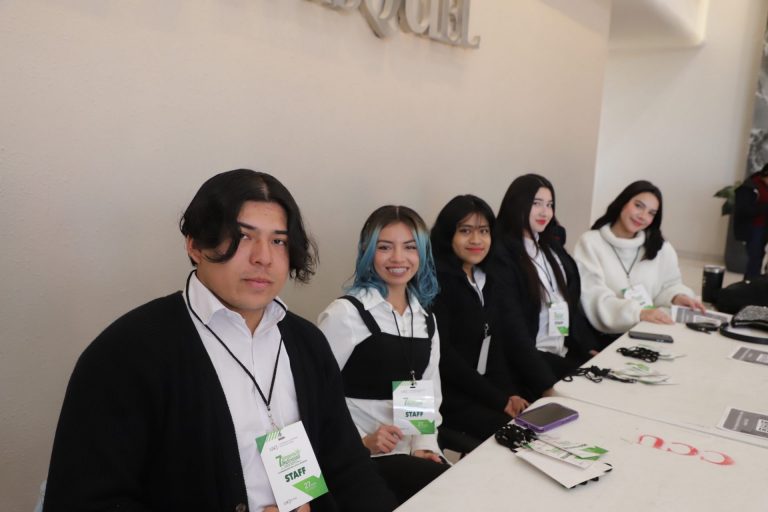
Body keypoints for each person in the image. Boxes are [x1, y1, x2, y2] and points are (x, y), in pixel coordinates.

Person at [44, 169, 397, 512]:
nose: (263, 257)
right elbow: (83, 501)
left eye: (278, 241)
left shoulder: (307, 343)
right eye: (243, 236)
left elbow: (347, 467)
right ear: (195, 245)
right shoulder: (126, 354)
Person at [318, 205, 448, 505]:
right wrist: (363, 440)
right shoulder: (346, 314)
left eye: (410, 247)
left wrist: (424, 445)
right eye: (385, 247)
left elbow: (430, 392)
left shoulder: (426, 319)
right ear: (367, 252)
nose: (398, 258)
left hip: (409, 452)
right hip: (361, 457)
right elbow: (316, 396)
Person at [429, 195, 529, 451]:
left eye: (483, 231)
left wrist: (509, 393)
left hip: (480, 390)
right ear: (448, 235)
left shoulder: (487, 278)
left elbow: (493, 344)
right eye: (465, 231)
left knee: (530, 418)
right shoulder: (437, 283)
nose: (476, 240)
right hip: (448, 397)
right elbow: (446, 358)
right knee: (516, 436)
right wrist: (498, 400)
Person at [489, 174, 598, 383]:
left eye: (549, 205)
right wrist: (546, 383)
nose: (544, 212)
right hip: (531, 359)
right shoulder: (502, 254)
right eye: (536, 203)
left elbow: (570, 305)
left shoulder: (551, 248)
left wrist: (586, 348)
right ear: (516, 204)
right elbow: (513, 329)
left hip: (562, 351)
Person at [574, 180, 705, 341]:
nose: (643, 216)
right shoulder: (590, 242)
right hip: (604, 337)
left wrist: (676, 297)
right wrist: (638, 313)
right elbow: (593, 297)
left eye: (651, 213)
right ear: (623, 202)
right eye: (638, 206)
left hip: (651, 330)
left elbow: (669, 285)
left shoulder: (659, 246)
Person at [734, 164, 768, 279]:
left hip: (765, 228)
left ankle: (757, 284)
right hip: (754, 228)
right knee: (755, 258)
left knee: (761, 258)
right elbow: (743, 209)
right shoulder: (749, 187)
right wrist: (765, 208)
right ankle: (750, 284)